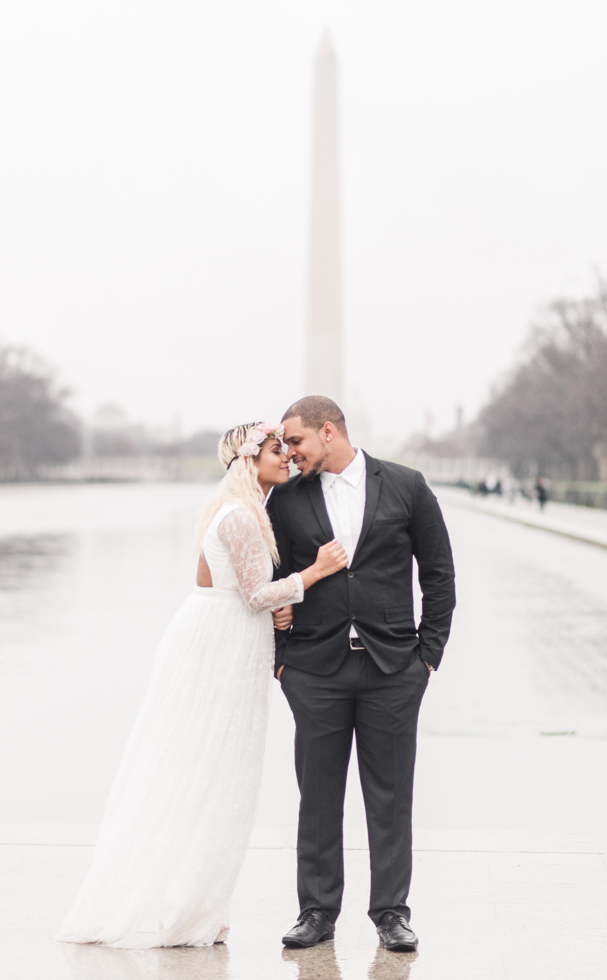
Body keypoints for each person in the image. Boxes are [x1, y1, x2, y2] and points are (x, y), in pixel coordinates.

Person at [55, 421, 346, 949]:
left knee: (218, 772)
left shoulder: (242, 511)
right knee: (213, 771)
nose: (286, 458)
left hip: (227, 639)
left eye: (286, 449)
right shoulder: (238, 516)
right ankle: (193, 907)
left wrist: (278, 610)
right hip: (218, 647)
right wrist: (315, 573)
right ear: (248, 460)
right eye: (276, 450)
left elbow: (236, 590)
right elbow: (254, 594)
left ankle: (202, 903)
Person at [268, 396, 456, 954]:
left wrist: (428, 656)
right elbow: (271, 578)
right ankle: (317, 911)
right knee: (317, 796)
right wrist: (283, 657)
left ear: (329, 431)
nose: (289, 452)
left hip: (394, 669)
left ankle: (392, 913)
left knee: (391, 797)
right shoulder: (286, 499)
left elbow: (440, 574)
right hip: (314, 669)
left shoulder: (407, 485)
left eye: (296, 441)